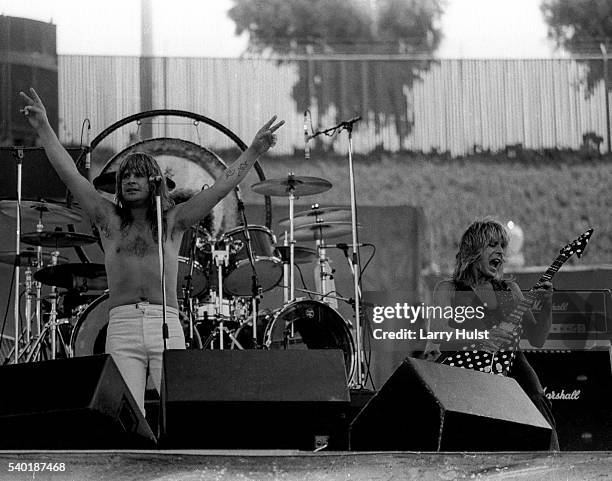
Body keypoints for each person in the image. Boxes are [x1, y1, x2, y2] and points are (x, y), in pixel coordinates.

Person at [20, 88, 284, 414]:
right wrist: (45, 128)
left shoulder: (174, 221)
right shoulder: (108, 219)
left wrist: (254, 152)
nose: (130, 180)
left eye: (139, 175)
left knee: (176, 414)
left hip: (166, 321)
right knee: (128, 417)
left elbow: (220, 187)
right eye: (126, 176)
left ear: (154, 182)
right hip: (122, 324)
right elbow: (70, 174)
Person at [429, 218, 559, 450]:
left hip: (511, 364)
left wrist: (547, 304)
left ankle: (552, 462)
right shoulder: (448, 289)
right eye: (492, 245)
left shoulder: (510, 290)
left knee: (537, 399)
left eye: (502, 246)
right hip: (462, 370)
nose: (500, 251)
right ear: (473, 251)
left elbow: (538, 338)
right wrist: (481, 339)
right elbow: (439, 333)